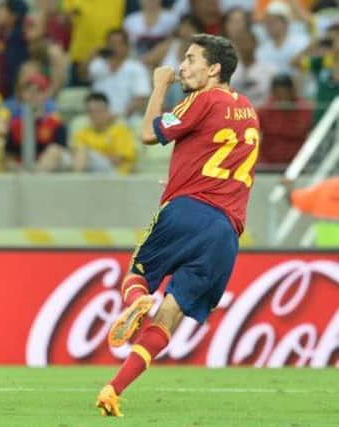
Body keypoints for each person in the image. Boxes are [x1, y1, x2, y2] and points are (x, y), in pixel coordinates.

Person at [96, 34, 260, 416]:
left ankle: (138, 302)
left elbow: (150, 134)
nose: (182, 68)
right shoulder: (249, 109)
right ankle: (113, 389)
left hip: (187, 211)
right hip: (225, 232)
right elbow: (216, 156)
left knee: (135, 277)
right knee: (170, 318)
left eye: (190, 59)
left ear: (214, 69)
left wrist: (158, 86)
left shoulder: (203, 98)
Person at [88, 28, 151, 119]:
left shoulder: (137, 68)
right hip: (97, 116)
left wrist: (122, 115)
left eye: (118, 44)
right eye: (111, 44)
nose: (114, 47)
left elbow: (141, 97)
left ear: (127, 47)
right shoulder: (97, 64)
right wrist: (91, 56)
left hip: (126, 117)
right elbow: (82, 76)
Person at [257, 73, 312, 169]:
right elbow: (253, 131)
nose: (282, 98)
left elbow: (298, 131)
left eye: (285, 93)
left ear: (292, 91)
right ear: (273, 93)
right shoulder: (266, 108)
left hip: (296, 162)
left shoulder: (302, 107)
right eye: (278, 94)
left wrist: (286, 113)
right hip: (268, 161)